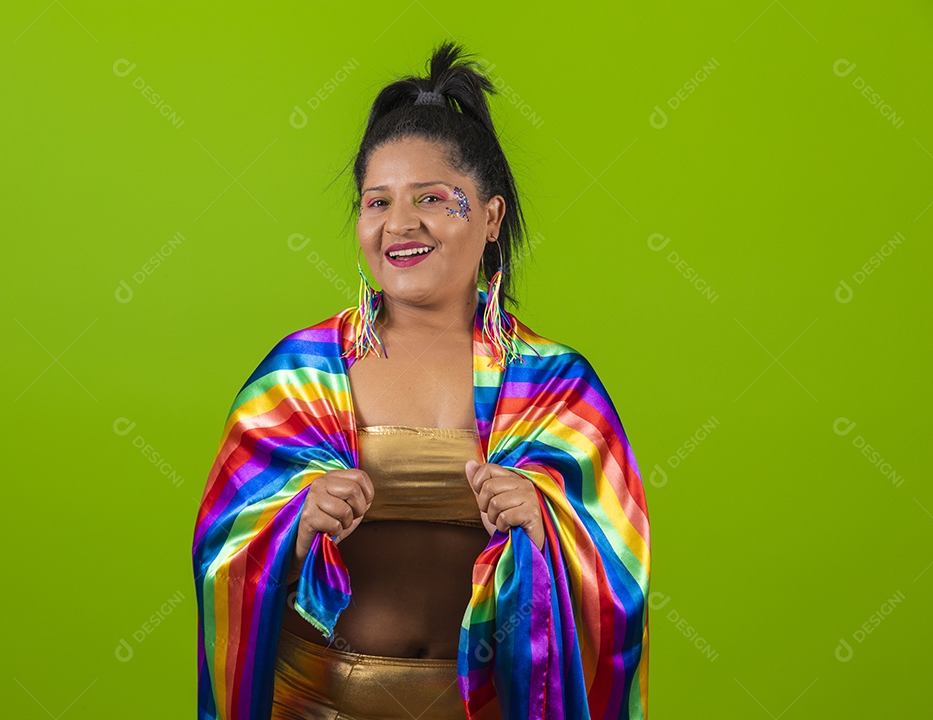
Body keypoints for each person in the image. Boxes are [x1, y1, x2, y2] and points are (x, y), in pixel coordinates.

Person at [192, 42, 651, 720]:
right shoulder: (300, 373)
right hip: (318, 705)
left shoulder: (557, 384)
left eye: (433, 199)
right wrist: (293, 521)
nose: (399, 225)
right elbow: (221, 550)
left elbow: (620, 562)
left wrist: (544, 518)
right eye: (377, 202)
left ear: (491, 218)